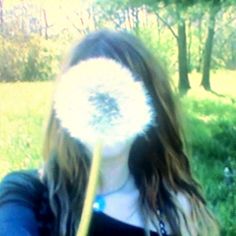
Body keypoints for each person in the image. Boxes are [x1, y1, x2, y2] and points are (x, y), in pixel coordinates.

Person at [0, 30, 219, 236]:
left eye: (120, 95)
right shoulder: (26, 194)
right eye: (93, 97)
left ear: (151, 108)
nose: (106, 106)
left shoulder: (173, 207)